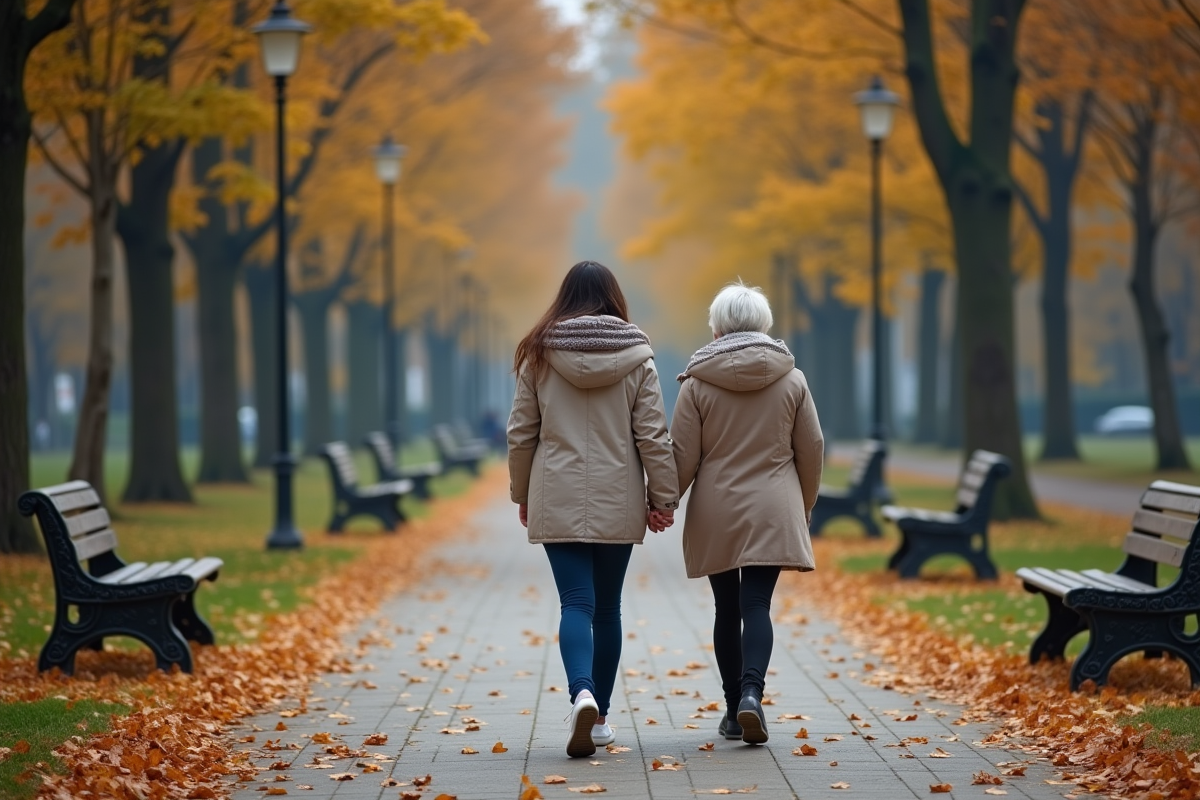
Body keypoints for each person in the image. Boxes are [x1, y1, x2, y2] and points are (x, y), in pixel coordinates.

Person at [507, 261, 679, 758]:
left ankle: (579, 691)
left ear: (564, 298)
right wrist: (663, 499)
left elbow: (521, 434)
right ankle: (600, 715)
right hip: (616, 497)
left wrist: (522, 493)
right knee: (607, 608)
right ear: (613, 298)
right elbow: (653, 436)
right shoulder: (638, 358)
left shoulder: (539, 355)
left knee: (574, 604)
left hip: (556, 493)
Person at [669, 281, 824, 745]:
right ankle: (753, 694)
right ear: (763, 324)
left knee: (726, 608)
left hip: (716, 508)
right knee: (757, 605)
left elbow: (682, 456)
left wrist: (663, 502)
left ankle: (733, 710)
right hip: (774, 505)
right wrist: (804, 504)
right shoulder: (792, 379)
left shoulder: (697, 382)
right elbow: (812, 448)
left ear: (717, 327)